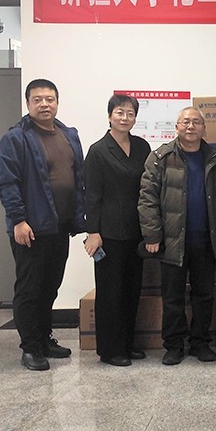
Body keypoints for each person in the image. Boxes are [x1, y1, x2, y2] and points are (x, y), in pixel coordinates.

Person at [0, 78, 86, 371]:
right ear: (28, 103)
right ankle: (30, 348)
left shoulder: (68, 135)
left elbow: (77, 177)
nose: (44, 104)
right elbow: (7, 183)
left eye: (50, 99)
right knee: (30, 289)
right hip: (31, 229)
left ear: (57, 102)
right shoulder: (16, 139)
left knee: (50, 287)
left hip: (60, 226)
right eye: (38, 99)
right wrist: (19, 220)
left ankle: (45, 340)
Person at [138, 107, 216, 365]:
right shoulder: (160, 158)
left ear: (204, 128)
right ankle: (174, 345)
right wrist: (152, 235)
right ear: (176, 127)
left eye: (196, 122)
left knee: (204, 296)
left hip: (206, 241)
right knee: (173, 298)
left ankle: (200, 343)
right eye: (185, 122)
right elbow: (147, 198)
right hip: (172, 241)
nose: (191, 126)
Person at [83, 94, 151, 367]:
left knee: (131, 290)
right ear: (110, 115)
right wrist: (93, 231)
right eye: (120, 112)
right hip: (108, 233)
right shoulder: (98, 150)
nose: (125, 118)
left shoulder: (142, 147)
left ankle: (127, 344)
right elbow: (91, 195)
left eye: (130, 113)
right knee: (110, 293)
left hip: (136, 230)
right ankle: (110, 350)